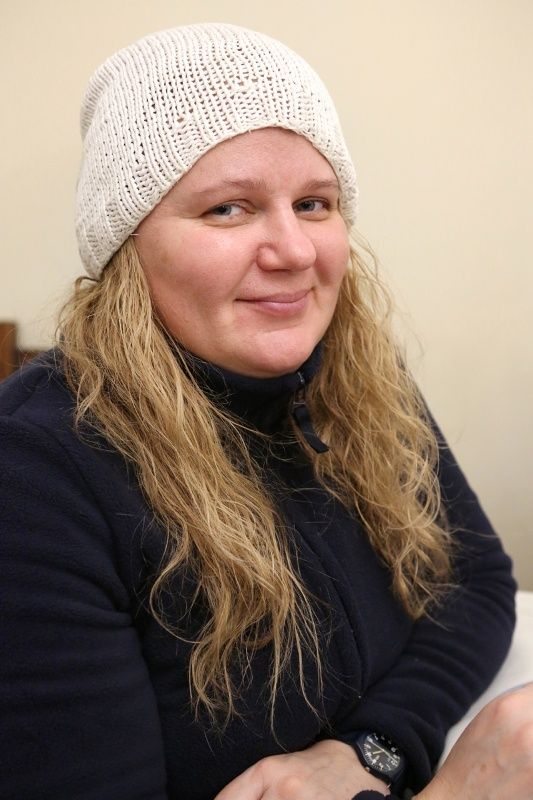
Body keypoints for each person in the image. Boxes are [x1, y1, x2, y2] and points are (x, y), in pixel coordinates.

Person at [0, 22, 528, 800]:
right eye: (227, 209)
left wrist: (368, 750)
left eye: (313, 203)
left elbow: (474, 581)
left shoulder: (355, 381)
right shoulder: (36, 476)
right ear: (126, 245)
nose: (294, 251)